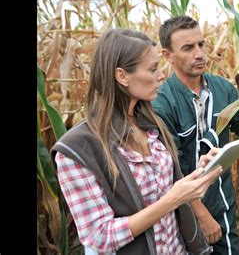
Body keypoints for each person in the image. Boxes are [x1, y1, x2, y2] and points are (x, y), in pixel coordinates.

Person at [51, 28, 223, 254]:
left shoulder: (151, 124)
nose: (161, 75)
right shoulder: (76, 150)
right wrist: (172, 200)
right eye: (152, 69)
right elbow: (99, 237)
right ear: (122, 76)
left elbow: (166, 185)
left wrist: (200, 173)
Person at [152, 16, 239, 254]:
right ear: (167, 55)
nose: (199, 53)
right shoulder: (163, 104)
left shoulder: (222, 89)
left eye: (201, 45)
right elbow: (169, 170)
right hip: (181, 209)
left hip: (221, 200)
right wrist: (201, 214)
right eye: (188, 48)